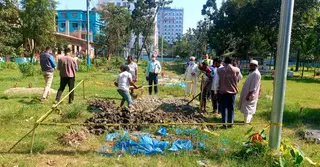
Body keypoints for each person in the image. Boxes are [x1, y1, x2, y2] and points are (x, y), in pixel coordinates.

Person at [214, 57, 241, 128]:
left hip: (223, 92)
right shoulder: (237, 69)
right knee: (231, 108)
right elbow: (240, 78)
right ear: (232, 62)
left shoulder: (219, 70)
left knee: (224, 108)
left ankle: (224, 124)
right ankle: (230, 123)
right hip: (233, 92)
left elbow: (216, 82)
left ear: (224, 62)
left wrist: (216, 91)